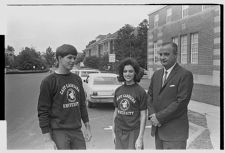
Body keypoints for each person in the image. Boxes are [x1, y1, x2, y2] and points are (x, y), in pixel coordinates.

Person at [37, 44, 92, 149]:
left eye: (74, 58)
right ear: (59, 58)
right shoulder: (49, 81)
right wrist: (47, 140)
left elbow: (82, 106)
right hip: (59, 132)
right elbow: (43, 112)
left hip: (77, 131)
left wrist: (88, 128)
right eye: (69, 57)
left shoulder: (77, 79)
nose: (73, 61)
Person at [147, 42, 193, 149]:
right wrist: (153, 115)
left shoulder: (185, 75)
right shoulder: (156, 74)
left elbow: (181, 102)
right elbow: (149, 97)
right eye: (161, 54)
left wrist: (159, 117)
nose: (162, 57)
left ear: (175, 55)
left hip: (175, 134)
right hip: (158, 131)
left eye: (166, 54)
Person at [112, 57, 147, 149]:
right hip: (119, 131)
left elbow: (143, 115)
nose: (127, 74)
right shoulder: (118, 91)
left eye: (130, 71)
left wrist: (140, 137)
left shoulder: (140, 91)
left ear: (135, 72)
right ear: (121, 73)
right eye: (125, 71)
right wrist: (113, 131)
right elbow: (116, 112)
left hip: (133, 132)